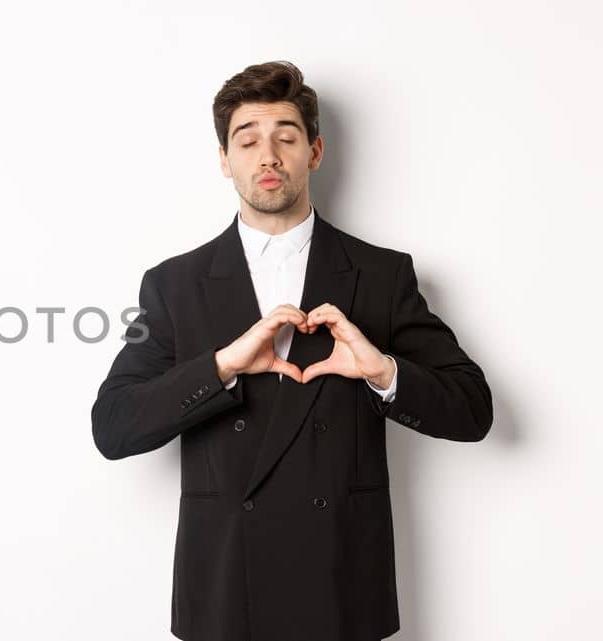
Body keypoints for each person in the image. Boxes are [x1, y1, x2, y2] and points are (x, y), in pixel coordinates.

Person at [89, 60, 494, 641]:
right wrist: (221, 367)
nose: (268, 155)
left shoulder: (379, 275)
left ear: (315, 151)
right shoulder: (173, 285)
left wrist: (382, 372)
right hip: (228, 588)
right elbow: (114, 426)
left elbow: (473, 410)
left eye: (286, 137)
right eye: (247, 140)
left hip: (340, 582)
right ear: (225, 160)